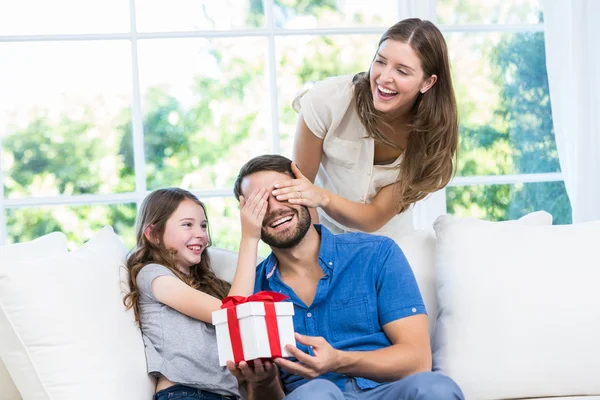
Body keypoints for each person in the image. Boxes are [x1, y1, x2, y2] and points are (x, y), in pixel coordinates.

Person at [228, 155, 464, 400]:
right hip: (311, 396)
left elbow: (418, 360)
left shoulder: (376, 254)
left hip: (387, 392)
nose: (275, 208)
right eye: (260, 203)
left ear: (305, 192)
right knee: (317, 393)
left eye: (282, 193)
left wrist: (339, 360)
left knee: (436, 387)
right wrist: (264, 382)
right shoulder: (250, 291)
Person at [272, 18, 458, 239]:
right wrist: (317, 252)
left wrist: (322, 197)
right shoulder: (327, 100)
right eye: (381, 61)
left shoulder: (430, 139)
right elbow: (300, 190)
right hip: (324, 231)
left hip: (388, 240)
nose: (384, 77)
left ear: (427, 83)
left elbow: (374, 217)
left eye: (402, 71)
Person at [123, 187, 269, 400]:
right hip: (183, 393)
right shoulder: (153, 275)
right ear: (153, 234)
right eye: (187, 225)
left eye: (203, 225)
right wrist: (249, 239)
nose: (200, 234)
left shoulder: (208, 287)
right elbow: (231, 312)